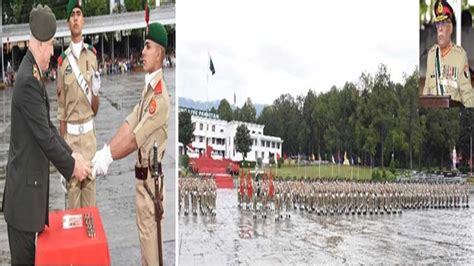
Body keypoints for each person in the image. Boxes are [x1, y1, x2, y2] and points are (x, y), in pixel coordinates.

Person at [1, 5, 91, 264]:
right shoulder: (29, 80)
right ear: (40, 44)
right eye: (51, 45)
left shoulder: (33, 73)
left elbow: (48, 128)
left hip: (29, 201)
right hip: (23, 205)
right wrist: (73, 166)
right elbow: (44, 137)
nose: (53, 52)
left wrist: (72, 152)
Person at [92, 22, 170, 265]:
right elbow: (128, 126)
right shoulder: (147, 91)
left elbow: (135, 139)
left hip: (151, 188)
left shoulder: (159, 98)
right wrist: (104, 151)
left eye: (147, 47)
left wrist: (109, 158)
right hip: (143, 186)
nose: (142, 52)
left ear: (159, 53)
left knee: (151, 257)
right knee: (145, 252)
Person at [57, 0, 101, 209]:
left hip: (89, 138)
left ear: (83, 20)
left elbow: (96, 109)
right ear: (68, 23)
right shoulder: (62, 63)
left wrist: (96, 92)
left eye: (78, 13)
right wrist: (61, 156)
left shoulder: (92, 56)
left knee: (90, 207)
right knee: (73, 210)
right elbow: (61, 112)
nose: (75, 17)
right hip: (71, 141)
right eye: (72, 15)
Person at [422, 0, 474, 107]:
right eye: (438, 23)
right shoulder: (431, 55)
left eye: (444, 23)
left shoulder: (460, 55)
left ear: (450, 28)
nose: (440, 28)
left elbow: (467, 94)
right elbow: (426, 92)